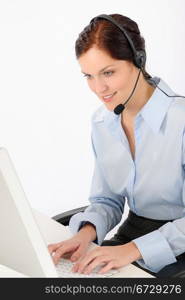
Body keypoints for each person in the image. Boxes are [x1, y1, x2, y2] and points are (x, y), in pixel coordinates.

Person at [48, 13, 185, 275]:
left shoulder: (181, 121)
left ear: (138, 61)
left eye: (108, 72)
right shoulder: (102, 122)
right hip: (133, 235)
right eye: (88, 76)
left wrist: (134, 249)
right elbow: (107, 200)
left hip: (178, 245)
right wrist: (85, 234)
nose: (99, 88)